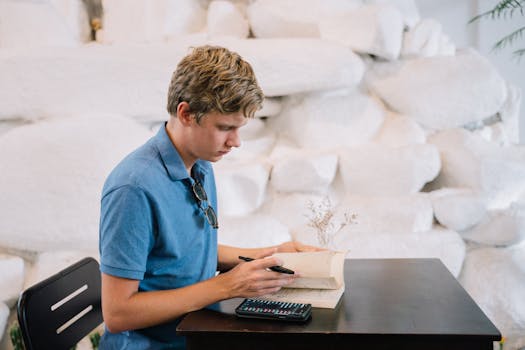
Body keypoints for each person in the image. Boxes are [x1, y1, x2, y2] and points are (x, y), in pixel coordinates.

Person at [98, 45, 320, 349]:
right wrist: (227, 286)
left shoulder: (199, 163)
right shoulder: (133, 188)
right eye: (225, 128)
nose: (236, 142)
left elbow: (181, 253)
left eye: (239, 128)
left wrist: (267, 254)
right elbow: (118, 314)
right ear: (186, 113)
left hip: (193, 333)